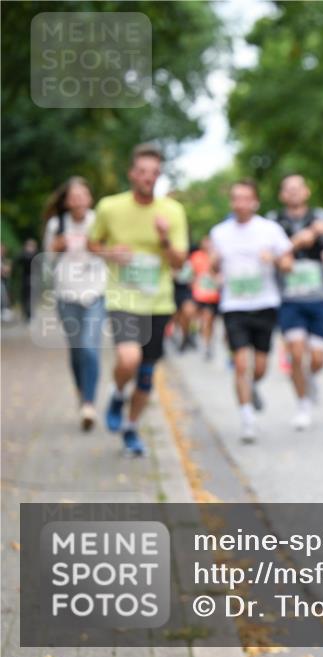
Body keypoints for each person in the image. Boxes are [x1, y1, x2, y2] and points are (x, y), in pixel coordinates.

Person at [88, 143, 188, 456]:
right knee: (128, 359)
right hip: (122, 297)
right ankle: (117, 392)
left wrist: (164, 238)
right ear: (132, 173)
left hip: (158, 302)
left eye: (154, 173)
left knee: (146, 375)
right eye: (143, 172)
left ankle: (131, 428)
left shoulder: (172, 212)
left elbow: (179, 263)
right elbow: (92, 244)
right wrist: (109, 252)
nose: (148, 178)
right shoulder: (109, 207)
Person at [210, 179, 293, 443]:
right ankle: (247, 419)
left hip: (264, 303)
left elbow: (289, 263)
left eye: (246, 198)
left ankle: (253, 385)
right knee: (241, 364)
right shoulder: (219, 233)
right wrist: (214, 270)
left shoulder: (270, 230)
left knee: (259, 366)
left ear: (255, 201)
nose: (240, 203)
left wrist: (277, 259)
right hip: (234, 305)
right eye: (236, 198)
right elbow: (213, 268)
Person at [269, 174, 323, 430]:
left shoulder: (321, 217)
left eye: (298, 188)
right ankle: (302, 404)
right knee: (295, 354)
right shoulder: (274, 221)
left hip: (318, 298)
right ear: (283, 195)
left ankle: (309, 379)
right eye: (288, 189)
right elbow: (266, 254)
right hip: (290, 299)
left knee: (317, 359)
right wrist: (296, 242)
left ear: (306, 192)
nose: (294, 193)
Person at [43, 176, 107, 431]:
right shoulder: (56, 224)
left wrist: (96, 247)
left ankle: (89, 404)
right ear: (67, 201)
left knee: (91, 347)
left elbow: (108, 252)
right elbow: (47, 261)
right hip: (66, 294)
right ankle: (82, 393)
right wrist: (57, 246)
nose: (79, 199)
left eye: (83, 194)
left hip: (95, 292)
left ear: (90, 198)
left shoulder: (98, 221)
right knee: (77, 349)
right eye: (74, 195)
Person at [189, 236, 221, 360]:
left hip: (215, 296)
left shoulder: (216, 255)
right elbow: (190, 274)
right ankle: (204, 343)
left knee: (210, 321)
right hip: (200, 295)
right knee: (204, 319)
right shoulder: (196, 256)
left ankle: (208, 342)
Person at [15, 238, 39, 321]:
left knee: (32, 297)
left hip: (34, 278)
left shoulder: (36, 254)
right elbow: (17, 262)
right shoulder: (23, 254)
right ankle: (26, 314)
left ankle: (30, 314)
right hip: (25, 278)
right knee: (25, 297)